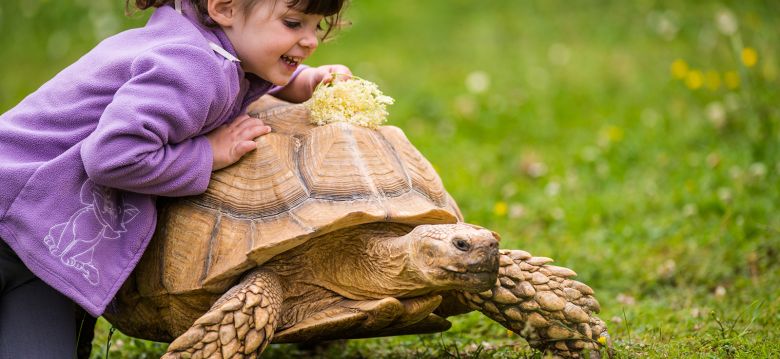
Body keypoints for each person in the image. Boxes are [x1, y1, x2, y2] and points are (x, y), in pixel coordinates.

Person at [0, 0, 350, 357]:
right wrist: (208, 153)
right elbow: (112, 156)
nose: (310, 41)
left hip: (32, 244)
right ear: (224, 8)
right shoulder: (192, 67)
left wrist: (302, 80)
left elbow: (239, 73)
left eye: (316, 27)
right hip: (11, 211)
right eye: (293, 23)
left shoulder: (197, 45)